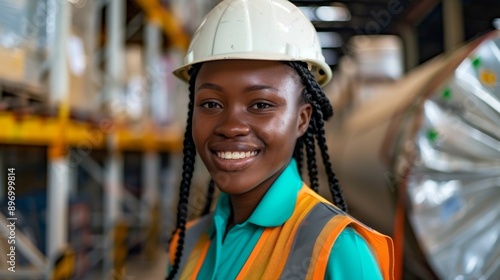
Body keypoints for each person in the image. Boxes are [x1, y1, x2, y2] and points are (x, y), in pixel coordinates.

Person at [167, 0, 394, 279]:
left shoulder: (338, 250)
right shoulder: (186, 243)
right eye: (211, 104)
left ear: (302, 119)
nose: (231, 127)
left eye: (261, 105)